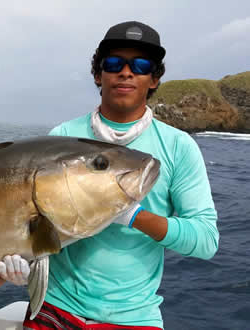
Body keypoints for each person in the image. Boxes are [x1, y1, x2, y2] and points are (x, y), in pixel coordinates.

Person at [18, 21, 219, 329]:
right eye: (114, 63)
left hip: (134, 318)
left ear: (154, 79)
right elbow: (32, 220)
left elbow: (206, 240)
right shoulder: (63, 136)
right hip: (54, 307)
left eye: (140, 65)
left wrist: (133, 215)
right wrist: (19, 256)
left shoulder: (179, 147)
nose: (126, 72)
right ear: (99, 74)